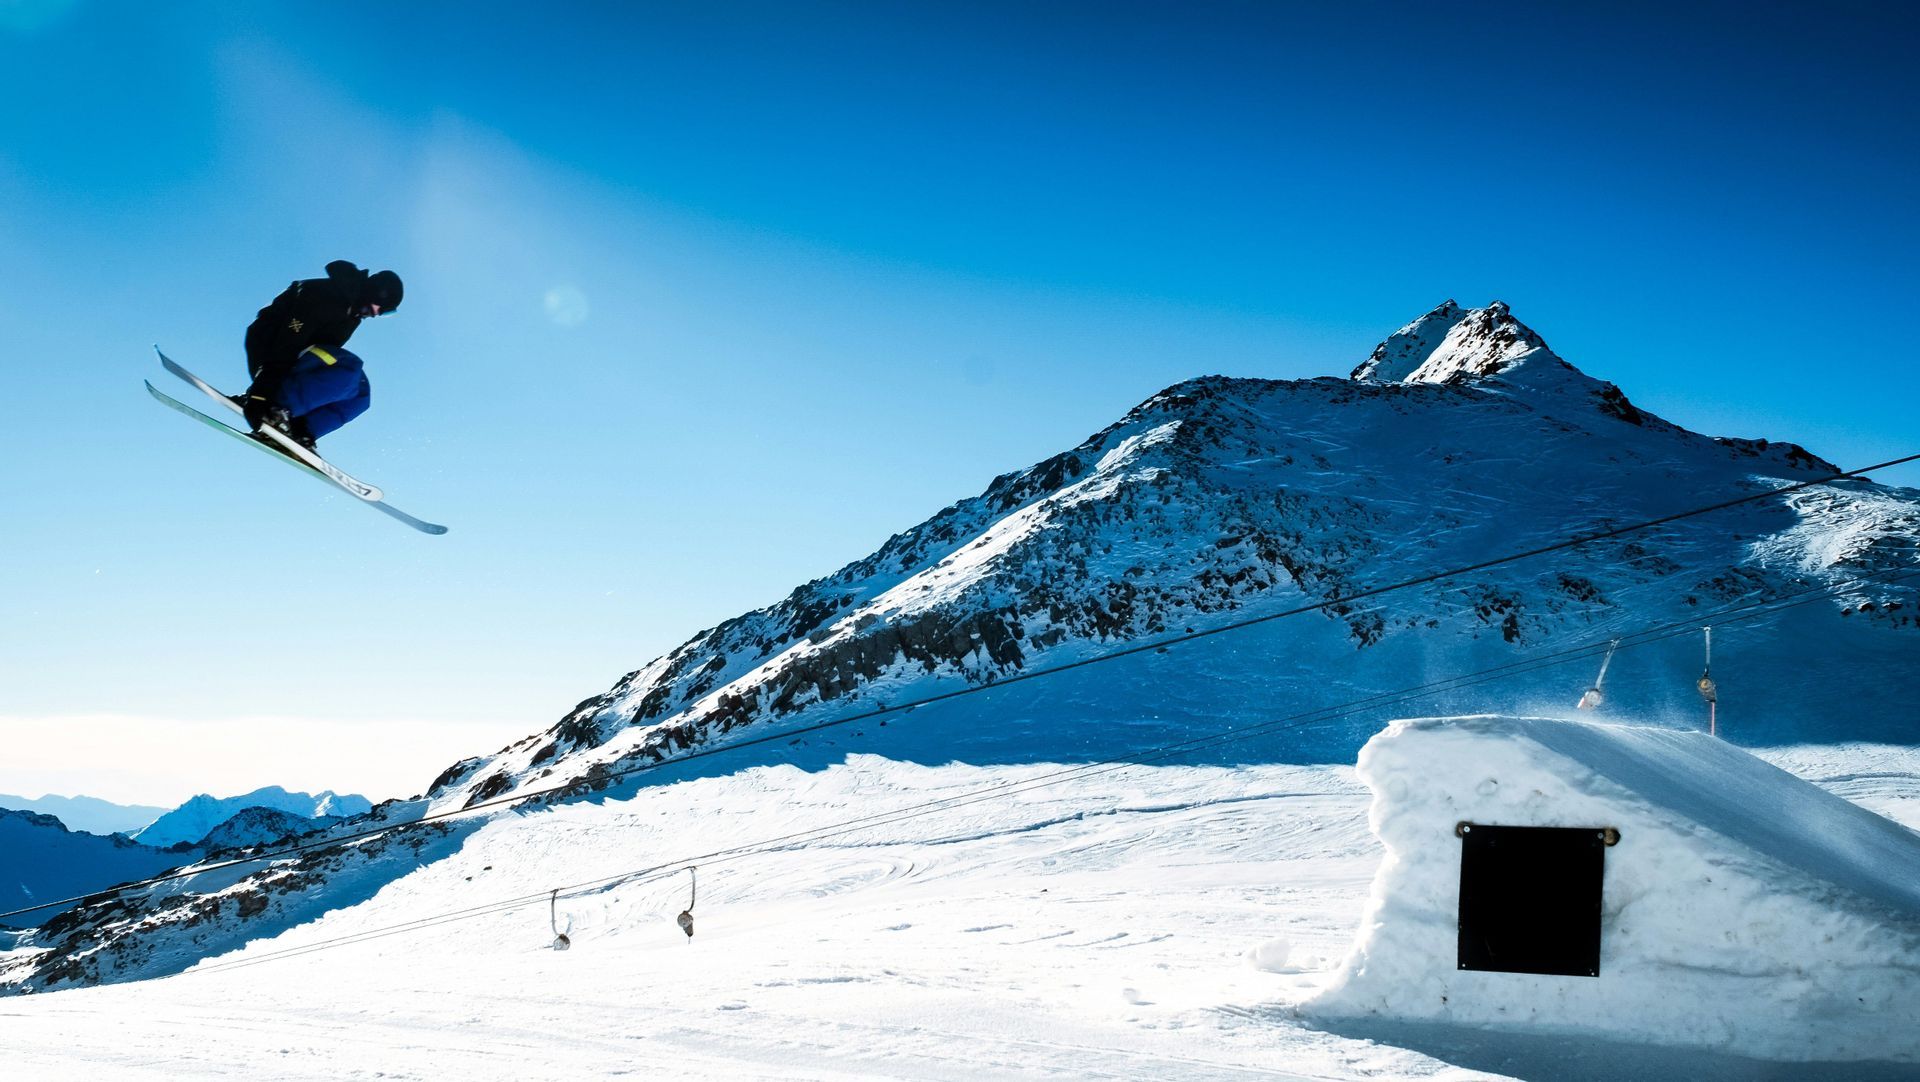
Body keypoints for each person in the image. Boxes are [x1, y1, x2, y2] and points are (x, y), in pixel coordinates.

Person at [238, 260, 403, 452]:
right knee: (350, 367)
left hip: (292, 361)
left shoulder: (352, 316)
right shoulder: (322, 295)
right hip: (270, 350)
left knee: (360, 393)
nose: (376, 314)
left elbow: (321, 364)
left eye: (384, 313)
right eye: (379, 307)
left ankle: (302, 429)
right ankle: (277, 409)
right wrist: (261, 393)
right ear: (374, 291)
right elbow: (286, 343)